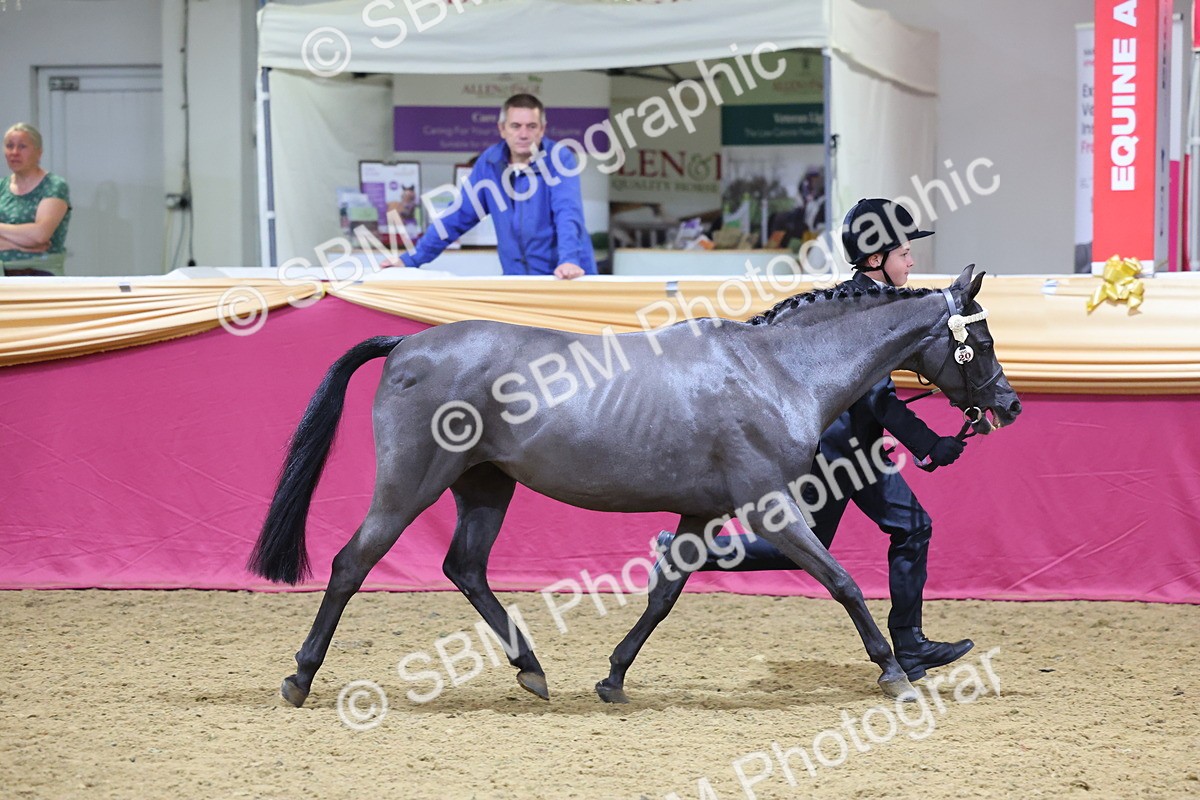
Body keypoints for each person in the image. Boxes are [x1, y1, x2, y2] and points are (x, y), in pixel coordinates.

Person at [661, 197, 973, 682]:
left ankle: (909, 647)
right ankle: (689, 551)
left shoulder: (889, 305)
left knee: (907, 529)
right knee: (808, 545)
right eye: (905, 252)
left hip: (859, 450)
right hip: (829, 452)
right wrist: (927, 443)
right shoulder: (853, 307)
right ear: (875, 259)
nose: (912, 261)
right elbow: (876, 398)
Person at [394, 94, 595, 279]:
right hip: (516, 280)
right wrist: (410, 260)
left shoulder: (559, 158)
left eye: (531, 126)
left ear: (542, 129)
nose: (523, 134)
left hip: (564, 276)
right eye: (516, 126)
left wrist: (569, 260)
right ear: (502, 128)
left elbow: (568, 213)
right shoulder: (489, 164)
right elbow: (457, 216)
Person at [1, 123, 71, 276]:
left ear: (39, 152)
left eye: (22, 147)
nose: (14, 152)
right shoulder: (1, 186)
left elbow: (40, 235)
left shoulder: (53, 185)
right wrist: (22, 246)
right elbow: (32, 239)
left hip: (39, 273)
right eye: (9, 146)